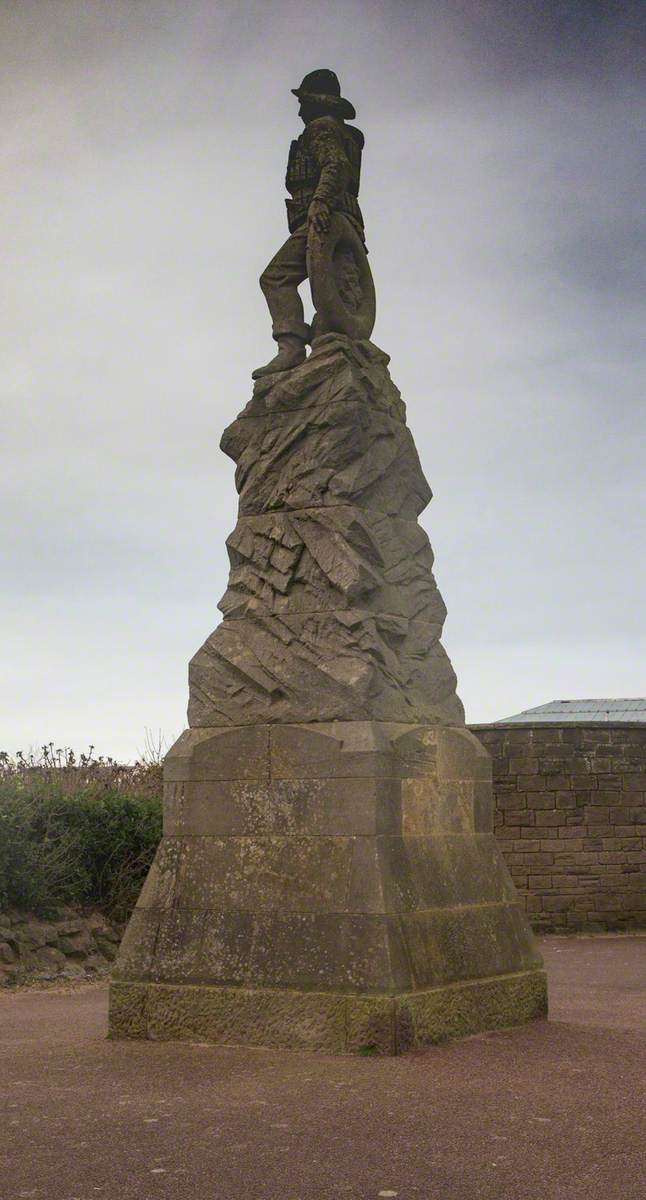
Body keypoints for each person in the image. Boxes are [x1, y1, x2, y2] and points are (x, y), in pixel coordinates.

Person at [252, 69, 366, 379]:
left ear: (316, 102)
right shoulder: (341, 132)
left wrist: (319, 202)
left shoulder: (321, 128)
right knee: (339, 290)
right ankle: (332, 346)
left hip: (323, 219)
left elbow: (335, 166)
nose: (300, 109)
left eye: (303, 101)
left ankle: (290, 347)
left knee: (275, 278)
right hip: (346, 222)